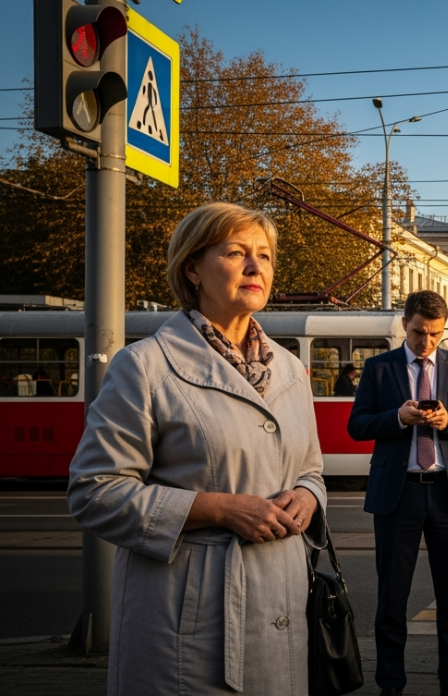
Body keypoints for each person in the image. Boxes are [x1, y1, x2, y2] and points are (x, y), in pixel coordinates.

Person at [66, 202, 327, 695]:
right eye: (236, 253)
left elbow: (310, 468)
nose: (256, 267)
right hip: (185, 626)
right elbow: (93, 491)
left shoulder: (290, 370)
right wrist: (219, 509)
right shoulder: (143, 366)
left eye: (266, 256)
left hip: (283, 606)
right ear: (192, 268)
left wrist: (309, 497)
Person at [347, 290, 448, 696]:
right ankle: (391, 684)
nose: (426, 342)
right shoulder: (379, 368)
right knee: (392, 601)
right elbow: (357, 425)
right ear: (404, 324)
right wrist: (397, 417)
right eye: (418, 332)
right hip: (399, 494)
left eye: (434, 334)